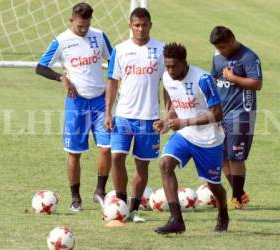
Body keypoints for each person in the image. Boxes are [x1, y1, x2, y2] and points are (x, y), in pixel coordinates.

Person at [36, 2, 113, 212]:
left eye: (86, 26)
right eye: (80, 26)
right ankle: (75, 197)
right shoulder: (61, 41)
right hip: (76, 104)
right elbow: (40, 67)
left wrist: (113, 82)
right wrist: (62, 78)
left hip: (100, 101)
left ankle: (99, 191)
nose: (83, 30)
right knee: (74, 152)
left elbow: (114, 59)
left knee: (107, 148)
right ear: (72, 20)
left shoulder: (99, 36)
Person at [153, 43, 229, 234]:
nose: (170, 70)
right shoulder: (166, 77)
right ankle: (176, 220)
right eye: (167, 66)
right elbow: (172, 102)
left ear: (184, 63)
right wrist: (166, 119)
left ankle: (223, 212)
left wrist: (184, 121)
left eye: (174, 66)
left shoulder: (203, 79)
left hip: (209, 139)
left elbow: (218, 114)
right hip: (185, 136)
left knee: (213, 185)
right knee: (165, 164)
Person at [105, 7, 165, 222]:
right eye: (136, 25)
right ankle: (120, 205)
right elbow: (112, 81)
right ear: (130, 26)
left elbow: (168, 84)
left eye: (144, 25)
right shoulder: (120, 50)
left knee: (142, 163)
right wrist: (108, 113)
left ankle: (133, 209)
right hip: (123, 115)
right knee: (116, 157)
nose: (140, 29)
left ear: (151, 25)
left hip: (150, 118)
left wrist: (168, 115)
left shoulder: (161, 50)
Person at [210, 26, 263, 209]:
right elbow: (214, 79)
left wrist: (233, 78)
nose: (221, 51)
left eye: (223, 47)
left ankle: (236, 198)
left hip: (241, 113)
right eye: (218, 48)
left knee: (235, 156)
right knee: (222, 156)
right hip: (221, 113)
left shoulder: (248, 57)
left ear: (233, 40)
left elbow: (257, 83)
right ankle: (239, 193)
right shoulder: (217, 57)